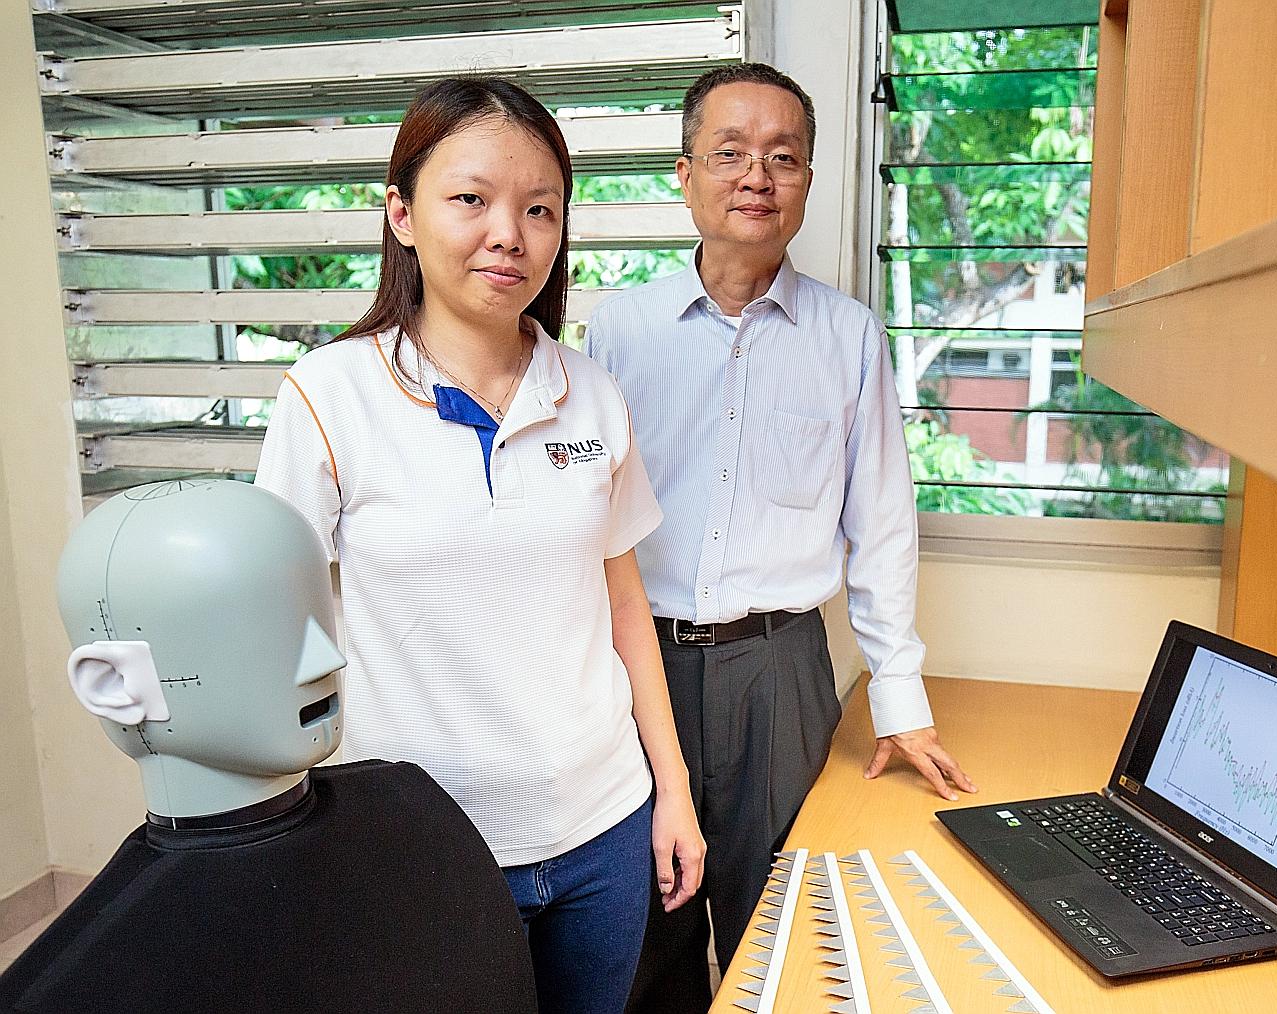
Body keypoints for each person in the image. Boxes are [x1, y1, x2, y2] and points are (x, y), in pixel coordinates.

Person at [254, 76, 703, 1014]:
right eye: (471, 199)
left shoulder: (590, 393)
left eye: (540, 208)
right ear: (401, 213)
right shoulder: (329, 396)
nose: (510, 233)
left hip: (604, 828)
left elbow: (626, 606)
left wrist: (674, 790)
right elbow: (277, 632)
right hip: (422, 846)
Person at [585, 63, 976, 1012]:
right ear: (685, 173)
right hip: (639, 667)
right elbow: (582, 520)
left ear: (806, 180)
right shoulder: (616, 329)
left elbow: (881, 523)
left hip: (783, 672)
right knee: (647, 929)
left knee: (788, 927)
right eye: (730, 154)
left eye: (783, 158)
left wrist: (900, 696)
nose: (756, 176)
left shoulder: (847, 336)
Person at [0, 478, 537, 1014]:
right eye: (261, 631)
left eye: (316, 613)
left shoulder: (416, 808)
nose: (328, 661)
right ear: (115, 685)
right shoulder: (73, 986)